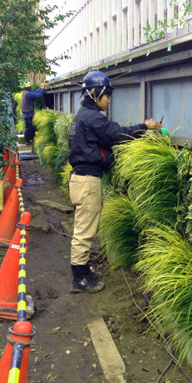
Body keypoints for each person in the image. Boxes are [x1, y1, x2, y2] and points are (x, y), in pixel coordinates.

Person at [68, 70, 162, 293]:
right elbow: (117, 134)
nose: (109, 99)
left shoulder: (83, 115)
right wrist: (144, 127)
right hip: (87, 182)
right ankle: (79, 278)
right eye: (107, 94)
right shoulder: (92, 117)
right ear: (94, 94)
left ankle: (83, 271)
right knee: (84, 230)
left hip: (82, 180)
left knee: (86, 227)